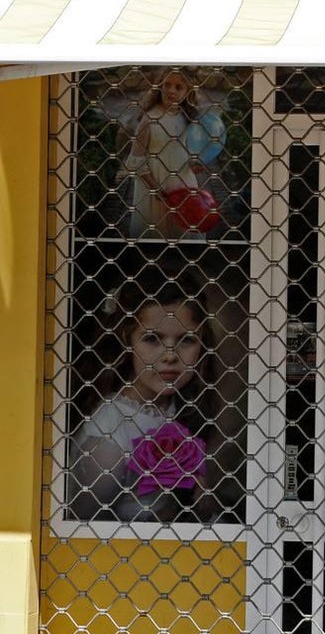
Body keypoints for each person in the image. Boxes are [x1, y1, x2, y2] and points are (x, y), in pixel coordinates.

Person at [69, 269, 224, 522]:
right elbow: (83, 531)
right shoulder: (109, 441)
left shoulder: (179, 406)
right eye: (153, 339)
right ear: (127, 339)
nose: (170, 355)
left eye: (186, 340)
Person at [122, 68, 223, 238]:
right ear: (159, 87)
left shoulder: (189, 117)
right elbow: (135, 159)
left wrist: (196, 163)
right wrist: (157, 190)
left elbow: (193, 149)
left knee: (183, 231)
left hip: (183, 182)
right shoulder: (150, 118)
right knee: (157, 231)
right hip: (155, 184)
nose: (171, 90)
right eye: (167, 85)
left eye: (178, 87)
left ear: (188, 91)